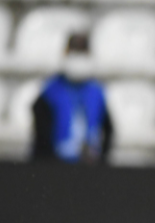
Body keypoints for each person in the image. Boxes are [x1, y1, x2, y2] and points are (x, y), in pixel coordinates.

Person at [31, 32, 112, 164]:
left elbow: (108, 131)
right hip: (54, 166)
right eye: (75, 52)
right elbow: (41, 137)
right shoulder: (50, 90)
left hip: (88, 168)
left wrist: (100, 159)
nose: (78, 59)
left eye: (82, 52)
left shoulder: (96, 92)